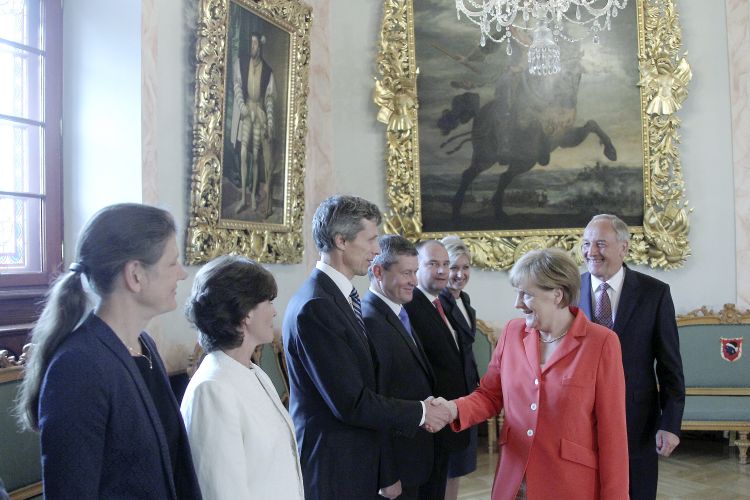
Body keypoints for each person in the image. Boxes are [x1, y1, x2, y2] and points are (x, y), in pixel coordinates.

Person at [14, 203, 202, 499]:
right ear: (135, 275)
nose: (181, 274)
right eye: (172, 263)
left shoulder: (144, 345)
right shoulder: (78, 367)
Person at [282, 195, 451, 500]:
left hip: (354, 460)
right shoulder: (317, 306)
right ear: (341, 241)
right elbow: (352, 402)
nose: (376, 250)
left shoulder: (336, 297)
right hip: (335, 466)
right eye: (371, 239)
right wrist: (421, 412)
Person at [437, 248, 629, 500]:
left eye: (526, 294)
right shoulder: (512, 333)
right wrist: (453, 409)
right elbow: (490, 395)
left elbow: (613, 433)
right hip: (514, 480)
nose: (517, 304)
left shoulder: (601, 342)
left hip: (569, 485)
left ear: (557, 295)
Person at [579, 214, 685, 500]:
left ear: (624, 247)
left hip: (636, 422)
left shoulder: (654, 293)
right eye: (586, 243)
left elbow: (670, 366)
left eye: (601, 243)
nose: (591, 251)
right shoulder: (568, 291)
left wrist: (670, 424)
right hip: (579, 421)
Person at [180, 255, 304, 499]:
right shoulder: (212, 389)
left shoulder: (253, 371)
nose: (274, 311)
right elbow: (222, 491)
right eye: (268, 301)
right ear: (245, 312)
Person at [362, 235, 435, 499]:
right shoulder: (371, 321)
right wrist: (387, 474)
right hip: (397, 466)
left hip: (414, 456)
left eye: (415, 272)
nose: (414, 281)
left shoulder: (399, 311)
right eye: (406, 273)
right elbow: (376, 402)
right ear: (378, 272)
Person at [404, 240, 471, 499]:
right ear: (417, 267)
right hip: (428, 425)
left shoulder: (440, 303)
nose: (442, 271)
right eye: (433, 264)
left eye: (445, 264)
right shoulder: (411, 306)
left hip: (445, 421)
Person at [439, 235, 480, 499]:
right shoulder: (438, 303)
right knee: (448, 468)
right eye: (454, 267)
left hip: (467, 392)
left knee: (457, 468)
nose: (460, 274)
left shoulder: (465, 301)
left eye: (465, 268)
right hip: (450, 393)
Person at [231, 31, 275, 215]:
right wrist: (242, 106)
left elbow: (269, 99)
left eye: (255, 44)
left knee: (256, 157)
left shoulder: (267, 71)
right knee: (243, 153)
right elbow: (237, 85)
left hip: (259, 113)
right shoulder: (241, 63)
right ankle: (243, 198)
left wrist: (270, 122)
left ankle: (254, 198)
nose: (252, 47)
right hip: (247, 110)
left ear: (260, 47)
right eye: (251, 43)